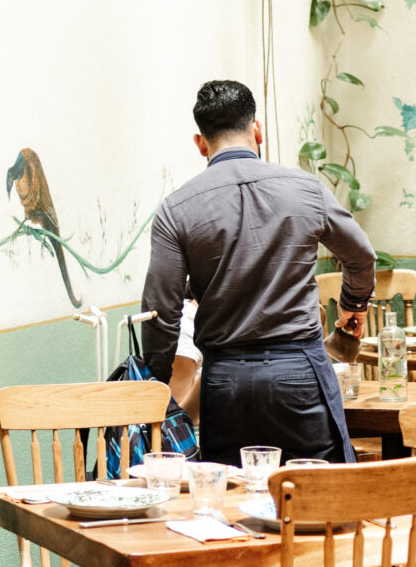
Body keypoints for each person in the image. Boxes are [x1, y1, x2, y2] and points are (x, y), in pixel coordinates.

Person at [142, 78, 376, 471]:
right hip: (300, 371)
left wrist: (158, 386)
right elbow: (361, 257)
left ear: (201, 143)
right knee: (321, 493)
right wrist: (353, 305)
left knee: (231, 497)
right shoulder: (306, 189)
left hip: (224, 382)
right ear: (257, 129)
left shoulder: (175, 209)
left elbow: (161, 312)